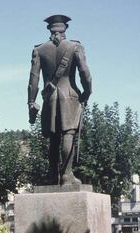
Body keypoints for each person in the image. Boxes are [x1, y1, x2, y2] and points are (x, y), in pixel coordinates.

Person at [27, 15, 92, 185]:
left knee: (54, 139)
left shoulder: (39, 50)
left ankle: (52, 176)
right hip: (69, 95)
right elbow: (85, 72)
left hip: (50, 97)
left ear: (50, 29)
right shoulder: (75, 47)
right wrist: (87, 91)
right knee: (68, 134)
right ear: (65, 29)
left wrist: (31, 102)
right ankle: (67, 175)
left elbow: (33, 78)